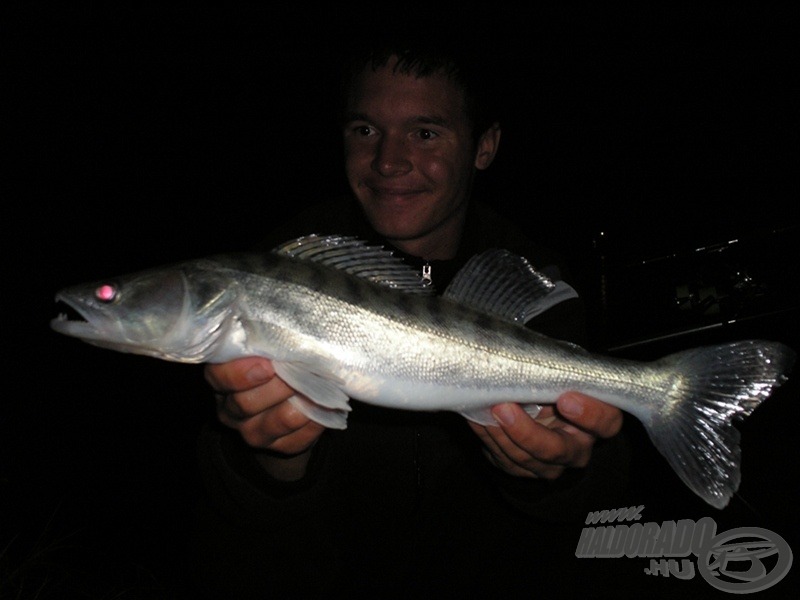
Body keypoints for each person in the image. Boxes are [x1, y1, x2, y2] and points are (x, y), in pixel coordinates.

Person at [190, 35, 630, 598]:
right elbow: (225, 516)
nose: (388, 161)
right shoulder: (276, 270)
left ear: (484, 146)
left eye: (425, 133)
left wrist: (555, 475)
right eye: (364, 130)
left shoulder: (536, 286)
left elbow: (602, 496)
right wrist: (269, 458)